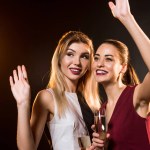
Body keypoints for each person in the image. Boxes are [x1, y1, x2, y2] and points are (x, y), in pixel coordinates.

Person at [9, 31, 100, 150]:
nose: (77, 62)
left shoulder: (90, 102)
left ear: (89, 64)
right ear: (59, 59)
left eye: (84, 56)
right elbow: (27, 148)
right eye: (70, 54)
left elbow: (83, 142)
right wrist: (22, 104)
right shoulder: (47, 97)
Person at [91, 0, 150, 149]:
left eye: (108, 59)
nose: (100, 63)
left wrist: (127, 18)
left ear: (123, 68)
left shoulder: (136, 96)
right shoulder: (100, 112)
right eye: (97, 58)